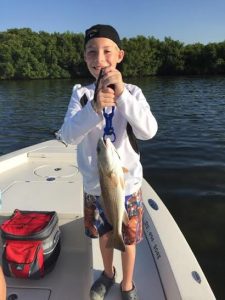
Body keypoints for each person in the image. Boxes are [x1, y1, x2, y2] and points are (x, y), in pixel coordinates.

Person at [59, 24, 158, 300]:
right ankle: (107, 273)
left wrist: (122, 95)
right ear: (84, 57)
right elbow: (68, 136)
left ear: (120, 55)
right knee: (105, 236)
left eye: (106, 51)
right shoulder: (81, 94)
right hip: (94, 186)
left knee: (128, 240)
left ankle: (127, 283)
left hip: (127, 187)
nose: (99, 59)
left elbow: (148, 131)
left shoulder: (134, 93)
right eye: (91, 52)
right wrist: (93, 109)